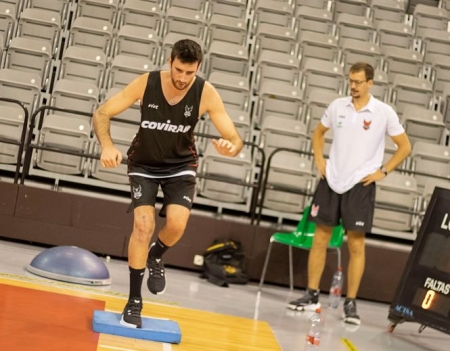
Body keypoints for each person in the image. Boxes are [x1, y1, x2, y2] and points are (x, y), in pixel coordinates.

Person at [92, 39, 244, 328]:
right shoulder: (146, 83)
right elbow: (102, 112)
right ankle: (134, 301)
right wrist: (107, 145)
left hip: (180, 166)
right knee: (143, 226)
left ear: (197, 68)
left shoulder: (206, 93)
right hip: (144, 164)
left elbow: (235, 138)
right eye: (178, 70)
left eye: (189, 73)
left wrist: (231, 147)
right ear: (170, 61)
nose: (182, 78)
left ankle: (156, 256)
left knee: (176, 225)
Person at [287, 62, 411, 325]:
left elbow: (404, 147)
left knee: (355, 244)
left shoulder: (383, 112)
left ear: (370, 83)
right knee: (319, 238)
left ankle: (351, 303)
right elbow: (318, 133)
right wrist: (319, 159)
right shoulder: (337, 106)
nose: (353, 86)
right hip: (331, 181)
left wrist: (383, 171)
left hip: (360, 185)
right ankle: (311, 295)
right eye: (350, 81)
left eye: (358, 81)